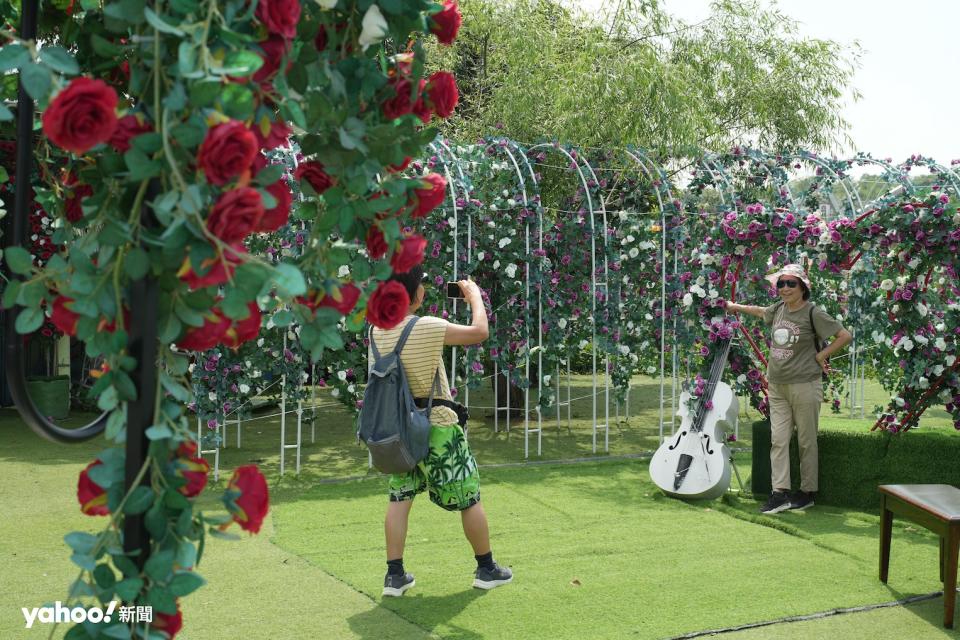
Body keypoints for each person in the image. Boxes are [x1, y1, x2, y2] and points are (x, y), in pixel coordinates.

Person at [370, 265, 513, 596]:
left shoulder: (377, 330)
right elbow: (479, 332)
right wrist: (475, 297)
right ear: (416, 294)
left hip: (398, 431)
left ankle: (394, 576)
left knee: (399, 498)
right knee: (469, 498)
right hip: (437, 427)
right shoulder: (427, 326)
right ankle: (486, 568)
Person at [724, 263, 852, 514]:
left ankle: (807, 493)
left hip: (805, 384)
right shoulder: (779, 310)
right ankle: (780, 493)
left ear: (803, 287)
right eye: (780, 283)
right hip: (778, 385)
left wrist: (821, 355)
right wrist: (735, 307)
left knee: (806, 441)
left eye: (790, 283)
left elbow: (844, 335)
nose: (784, 288)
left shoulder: (812, 312)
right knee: (778, 440)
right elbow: (761, 311)